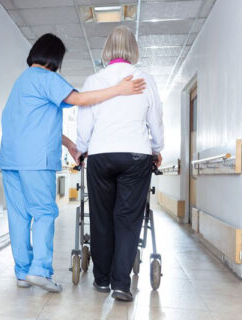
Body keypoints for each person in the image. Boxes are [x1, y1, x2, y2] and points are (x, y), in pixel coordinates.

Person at [0, 33, 146, 293]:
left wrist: (69, 144)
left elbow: (31, 125)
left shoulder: (20, 83)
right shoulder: (46, 78)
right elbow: (79, 99)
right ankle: (39, 272)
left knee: (19, 216)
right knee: (44, 212)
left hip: (11, 159)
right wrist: (118, 90)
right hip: (36, 160)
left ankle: (22, 272)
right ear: (55, 58)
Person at [76, 26, 164, 301]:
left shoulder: (93, 80)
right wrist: (157, 149)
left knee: (101, 218)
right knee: (128, 220)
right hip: (136, 155)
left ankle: (101, 280)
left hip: (101, 155)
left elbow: (84, 124)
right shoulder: (146, 79)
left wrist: (81, 150)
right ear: (133, 50)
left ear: (106, 50)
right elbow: (156, 122)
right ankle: (120, 284)